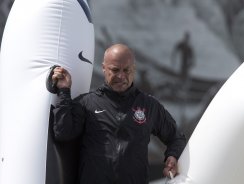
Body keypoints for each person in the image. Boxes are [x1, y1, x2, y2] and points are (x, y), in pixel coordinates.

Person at [51, 43, 186, 184]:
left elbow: (177, 138)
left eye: (126, 70)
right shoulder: (87, 103)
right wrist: (64, 91)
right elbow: (62, 133)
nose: (121, 76)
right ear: (104, 68)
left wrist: (173, 156)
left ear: (134, 70)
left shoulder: (149, 105)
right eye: (115, 70)